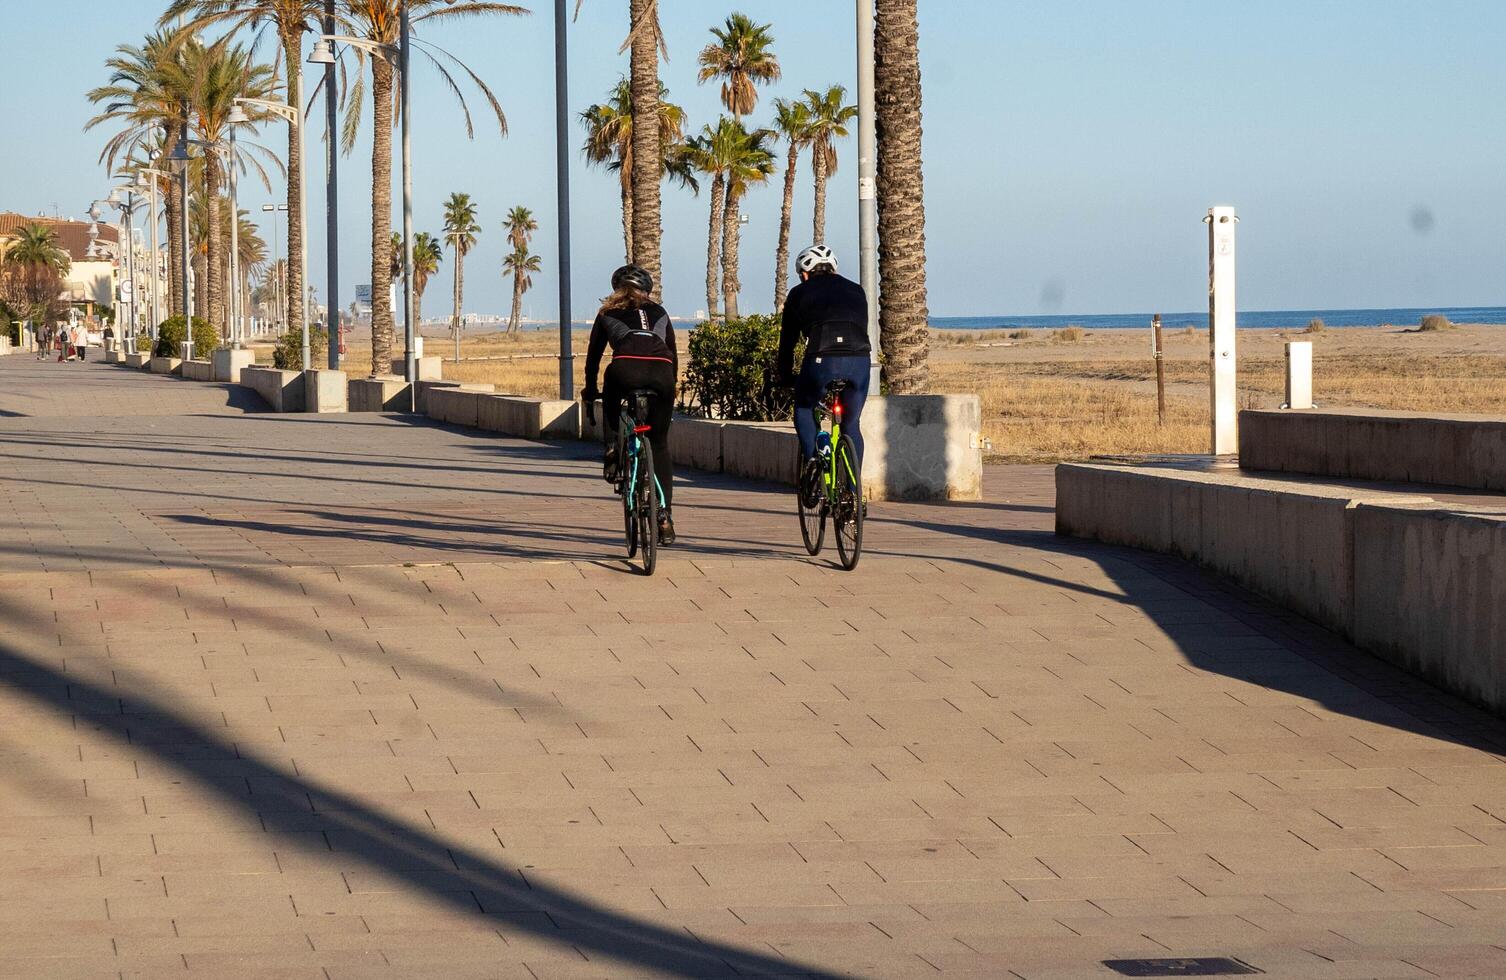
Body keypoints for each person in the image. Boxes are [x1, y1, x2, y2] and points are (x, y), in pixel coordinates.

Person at [582, 265, 679, 546]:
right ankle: (664, 516)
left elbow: (593, 358)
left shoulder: (607, 313)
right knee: (659, 444)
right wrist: (670, 386)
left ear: (616, 289)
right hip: (662, 375)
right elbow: (671, 353)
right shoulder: (660, 312)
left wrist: (591, 391)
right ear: (646, 290)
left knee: (612, 381)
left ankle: (612, 445)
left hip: (624, 370)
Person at [777, 244, 872, 502]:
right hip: (859, 360)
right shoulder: (856, 290)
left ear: (805, 274)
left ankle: (813, 466)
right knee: (851, 423)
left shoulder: (798, 293)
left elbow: (787, 342)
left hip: (822, 360)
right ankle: (853, 497)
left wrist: (784, 377)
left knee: (804, 408)